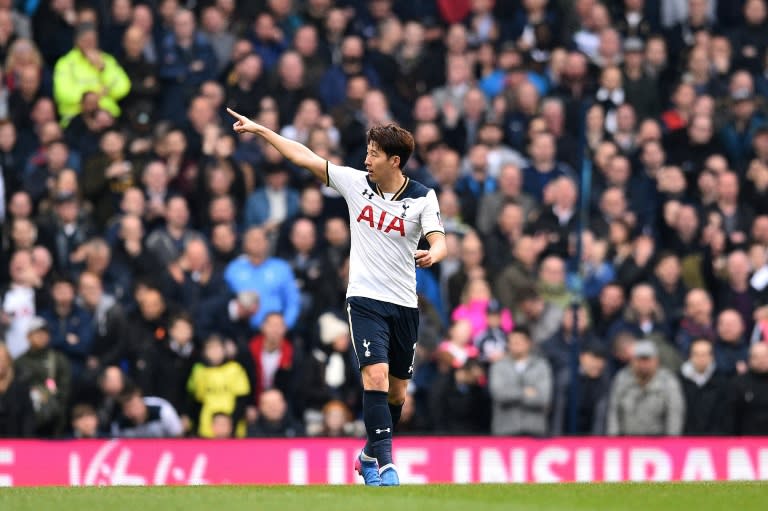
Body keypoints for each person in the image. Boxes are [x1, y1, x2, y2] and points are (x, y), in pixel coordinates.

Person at [228, 108, 446, 486]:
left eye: (374, 153)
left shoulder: (423, 198)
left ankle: (366, 456)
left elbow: (439, 238)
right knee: (374, 377)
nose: (366, 159)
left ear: (394, 160)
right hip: (364, 299)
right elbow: (303, 156)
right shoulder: (354, 183)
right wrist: (263, 130)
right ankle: (387, 466)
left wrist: (434, 253)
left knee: (396, 396)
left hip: (404, 304)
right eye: (367, 151)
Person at [607, 340, 686, 436]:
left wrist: (671, 442)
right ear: (632, 361)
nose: (643, 364)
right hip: (627, 440)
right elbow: (613, 411)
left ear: (656, 360)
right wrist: (613, 439)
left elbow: (674, 415)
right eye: (639, 359)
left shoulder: (668, 381)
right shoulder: (622, 378)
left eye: (647, 360)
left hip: (657, 442)